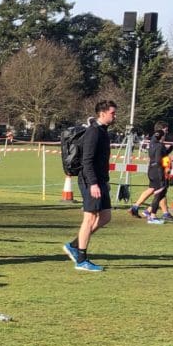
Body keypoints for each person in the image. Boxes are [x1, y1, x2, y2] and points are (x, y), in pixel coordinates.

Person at [63, 100, 117, 273]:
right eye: (112, 113)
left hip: (100, 181)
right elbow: (87, 160)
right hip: (89, 181)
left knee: (106, 216)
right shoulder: (93, 132)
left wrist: (105, 181)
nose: (114, 116)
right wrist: (93, 183)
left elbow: (102, 161)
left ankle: (74, 244)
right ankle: (81, 258)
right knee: (89, 218)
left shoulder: (103, 132)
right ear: (102, 113)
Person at [131, 122, 173, 222]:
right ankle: (152, 215)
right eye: (165, 131)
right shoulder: (159, 145)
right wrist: (169, 161)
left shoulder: (153, 142)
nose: (166, 133)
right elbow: (159, 159)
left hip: (152, 170)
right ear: (161, 132)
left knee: (156, 191)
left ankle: (146, 210)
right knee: (160, 192)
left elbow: (161, 155)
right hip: (157, 171)